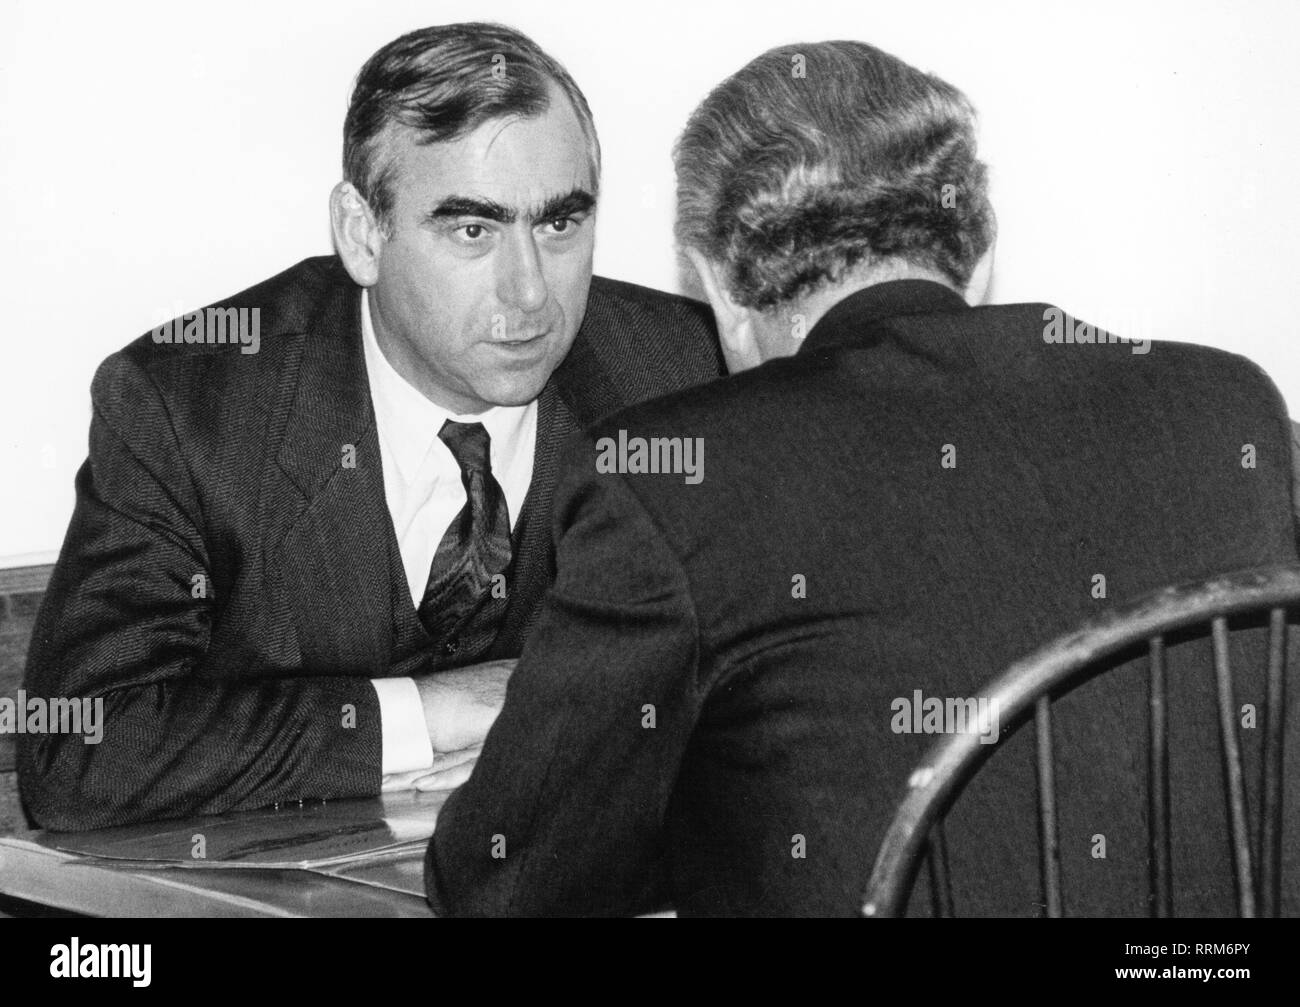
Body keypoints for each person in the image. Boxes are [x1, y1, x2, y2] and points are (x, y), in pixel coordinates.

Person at [425, 40, 1300, 916]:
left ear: (721, 287)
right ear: (981, 249)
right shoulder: (1235, 409)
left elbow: (504, 882)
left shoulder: (669, 481)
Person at [19, 23, 722, 831]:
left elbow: (797, 674)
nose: (530, 292)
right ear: (362, 234)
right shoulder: (189, 408)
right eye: (472, 230)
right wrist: (430, 714)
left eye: (560, 224)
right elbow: (76, 752)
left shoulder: (685, 375)